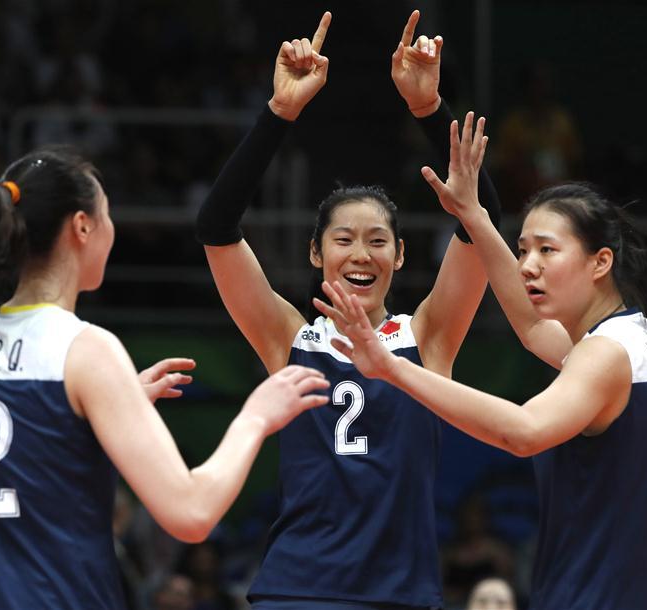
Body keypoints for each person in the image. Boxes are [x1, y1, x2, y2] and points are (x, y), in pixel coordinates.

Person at [0, 147, 329, 610]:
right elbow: (192, 513)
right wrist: (256, 417)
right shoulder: (85, 349)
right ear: (82, 226)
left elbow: (23, 468)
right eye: (106, 214)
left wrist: (95, 412)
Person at [195, 10, 500, 609]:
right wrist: (278, 113)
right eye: (343, 239)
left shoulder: (429, 336)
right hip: (297, 590)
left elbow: (480, 224)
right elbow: (216, 226)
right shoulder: (289, 338)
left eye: (378, 240)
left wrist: (428, 109)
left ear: (401, 254)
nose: (361, 254)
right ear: (316, 252)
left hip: (400, 594)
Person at [315, 113, 647, 609]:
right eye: (524, 249)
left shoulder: (606, 352)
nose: (528, 265)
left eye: (547, 251)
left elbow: (524, 432)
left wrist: (392, 367)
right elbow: (531, 328)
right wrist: (474, 216)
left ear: (600, 262)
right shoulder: (632, 337)